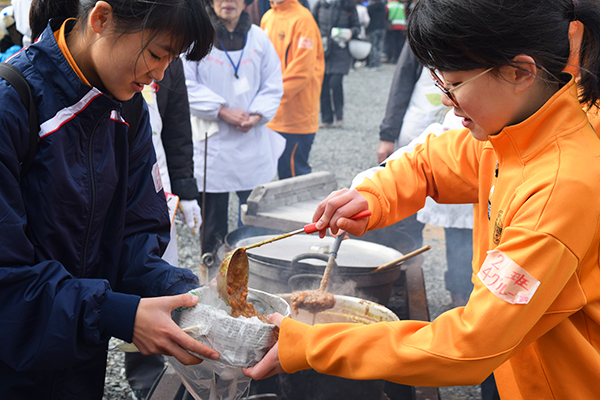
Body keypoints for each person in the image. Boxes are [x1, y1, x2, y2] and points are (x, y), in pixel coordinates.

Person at [244, 0, 600, 398]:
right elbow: (430, 162)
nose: (447, 100)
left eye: (456, 83)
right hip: (516, 364)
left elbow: (470, 344)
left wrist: (308, 344)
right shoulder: (514, 129)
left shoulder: (561, 185)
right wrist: (371, 196)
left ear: (520, 71)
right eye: (439, 83)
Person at [0, 0, 220, 398]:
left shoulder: (129, 111)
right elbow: (6, 276)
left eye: (171, 60)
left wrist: (195, 300)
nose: (159, 74)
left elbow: (136, 236)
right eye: (156, 54)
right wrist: (117, 312)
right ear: (101, 18)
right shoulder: (12, 103)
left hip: (81, 357)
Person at [125, 57, 202, 400]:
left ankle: (163, 364)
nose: (160, 67)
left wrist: (187, 190)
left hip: (159, 185)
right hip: (113, 182)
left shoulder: (171, 61)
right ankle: (141, 373)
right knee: (127, 290)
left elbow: (177, 126)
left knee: (156, 279)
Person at [182, 0, 284, 258]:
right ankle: (212, 274)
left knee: (254, 217)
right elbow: (185, 84)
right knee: (213, 220)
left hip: (251, 139)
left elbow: (273, 83)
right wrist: (222, 110)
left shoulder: (259, 39)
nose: (228, 2)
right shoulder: (197, 37)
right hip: (212, 141)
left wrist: (257, 114)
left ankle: (253, 268)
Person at [261, 0, 325, 179]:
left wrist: (268, 99)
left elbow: (301, 71)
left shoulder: (303, 19)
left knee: (294, 179)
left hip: (296, 116)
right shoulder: (268, 17)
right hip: (271, 114)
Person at [313, 0, 360, 129]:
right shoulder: (320, 5)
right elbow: (312, 24)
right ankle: (326, 119)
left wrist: (350, 33)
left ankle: (339, 116)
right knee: (323, 86)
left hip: (341, 51)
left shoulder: (348, 5)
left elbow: (357, 27)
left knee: (335, 83)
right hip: (323, 51)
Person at [366, 0, 386, 70]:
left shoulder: (371, 7)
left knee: (373, 46)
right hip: (382, 28)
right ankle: (378, 63)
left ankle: (373, 63)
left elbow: (368, 18)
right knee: (379, 47)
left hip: (373, 28)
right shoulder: (383, 6)